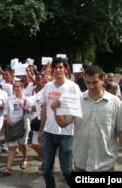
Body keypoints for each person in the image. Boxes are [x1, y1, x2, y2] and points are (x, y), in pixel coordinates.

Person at [51, 65, 122, 172]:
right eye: (88, 82)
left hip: (105, 165)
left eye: (95, 82)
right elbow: (63, 124)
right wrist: (56, 111)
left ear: (103, 80)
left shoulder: (115, 103)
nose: (91, 86)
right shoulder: (78, 100)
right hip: (81, 163)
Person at [38, 57, 81, 188]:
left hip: (66, 133)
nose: (58, 70)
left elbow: (77, 111)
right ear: (52, 70)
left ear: (66, 69)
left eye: (61, 67)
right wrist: (41, 130)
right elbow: (44, 109)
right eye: (55, 67)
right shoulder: (47, 87)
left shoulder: (73, 87)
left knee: (67, 170)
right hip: (49, 132)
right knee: (47, 169)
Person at [0, 80, 32, 175]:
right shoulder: (10, 99)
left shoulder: (27, 100)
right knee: (12, 146)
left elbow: (32, 112)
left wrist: (25, 108)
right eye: (15, 87)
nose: (16, 88)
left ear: (22, 88)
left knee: (23, 143)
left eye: (18, 87)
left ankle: (25, 159)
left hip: (23, 124)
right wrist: (7, 119)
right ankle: (8, 168)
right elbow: (5, 110)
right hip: (12, 125)